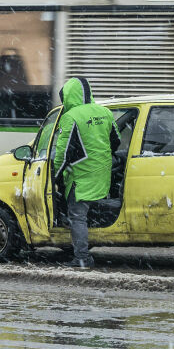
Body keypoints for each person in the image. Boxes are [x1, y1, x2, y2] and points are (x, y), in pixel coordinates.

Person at [53, 77, 119, 268]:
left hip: (82, 177)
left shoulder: (70, 117)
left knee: (77, 216)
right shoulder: (105, 112)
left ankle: (82, 257)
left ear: (68, 96)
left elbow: (63, 154)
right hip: (103, 175)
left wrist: (55, 177)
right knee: (87, 212)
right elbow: (115, 141)